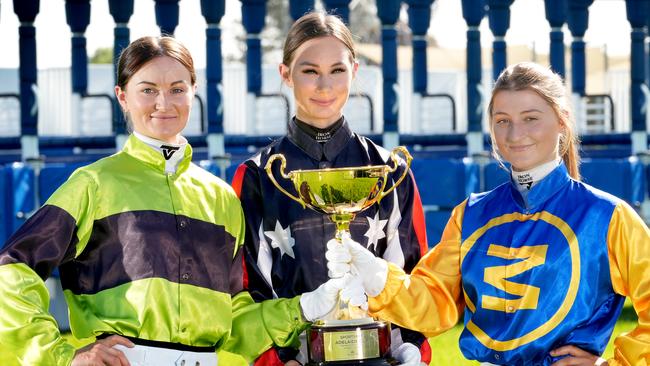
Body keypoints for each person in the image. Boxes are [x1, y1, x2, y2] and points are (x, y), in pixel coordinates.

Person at [0, 36, 350, 366]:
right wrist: (62, 355)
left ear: (193, 92)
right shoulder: (93, 184)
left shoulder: (220, 197)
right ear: (122, 96)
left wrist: (303, 307)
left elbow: (234, 322)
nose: (163, 103)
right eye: (148, 90)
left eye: (177, 89)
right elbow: (11, 270)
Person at [327, 62, 650, 365]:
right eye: (502, 120)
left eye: (530, 118)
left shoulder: (607, 216)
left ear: (562, 119)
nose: (514, 134)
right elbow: (434, 303)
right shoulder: (471, 214)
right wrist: (379, 278)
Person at [231, 12, 431, 366]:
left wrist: (410, 349)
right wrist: (279, 360)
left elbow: (414, 277)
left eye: (337, 70)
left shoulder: (390, 173)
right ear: (285, 74)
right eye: (310, 71)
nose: (325, 86)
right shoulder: (256, 177)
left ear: (354, 71)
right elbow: (246, 288)